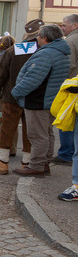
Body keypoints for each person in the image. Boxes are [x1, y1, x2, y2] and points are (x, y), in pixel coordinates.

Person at [11, 24, 71, 177]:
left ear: (45, 38)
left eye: (38, 36)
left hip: (38, 100)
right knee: (47, 133)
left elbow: (32, 79)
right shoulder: (61, 52)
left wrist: (16, 92)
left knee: (37, 135)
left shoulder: (47, 54)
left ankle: (37, 165)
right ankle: (44, 163)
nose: (36, 38)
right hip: (50, 99)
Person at [0, 21, 44, 174]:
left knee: (7, 129)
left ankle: (3, 162)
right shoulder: (44, 50)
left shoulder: (14, 50)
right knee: (30, 131)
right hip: (35, 98)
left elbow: (0, 76)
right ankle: (26, 162)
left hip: (11, 96)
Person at [55, 14, 78, 165]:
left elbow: (68, 65)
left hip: (72, 86)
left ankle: (66, 153)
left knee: (67, 120)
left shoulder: (70, 40)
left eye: (64, 25)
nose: (62, 28)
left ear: (74, 25)